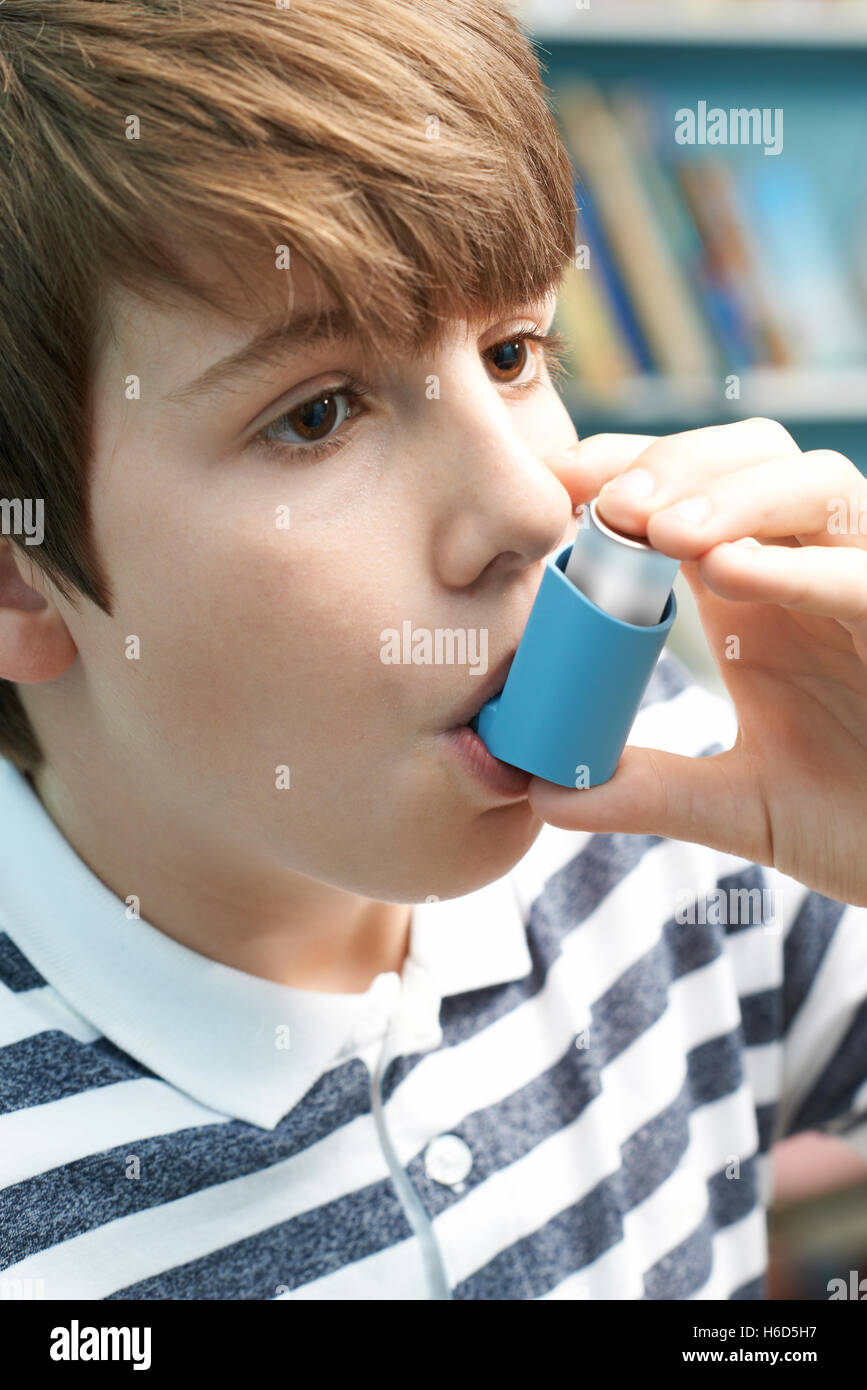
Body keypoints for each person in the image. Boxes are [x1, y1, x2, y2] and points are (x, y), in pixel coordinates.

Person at [0, 0, 864, 1301]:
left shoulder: (694, 794)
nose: (530, 507)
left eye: (515, 349)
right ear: (22, 572)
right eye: (319, 413)